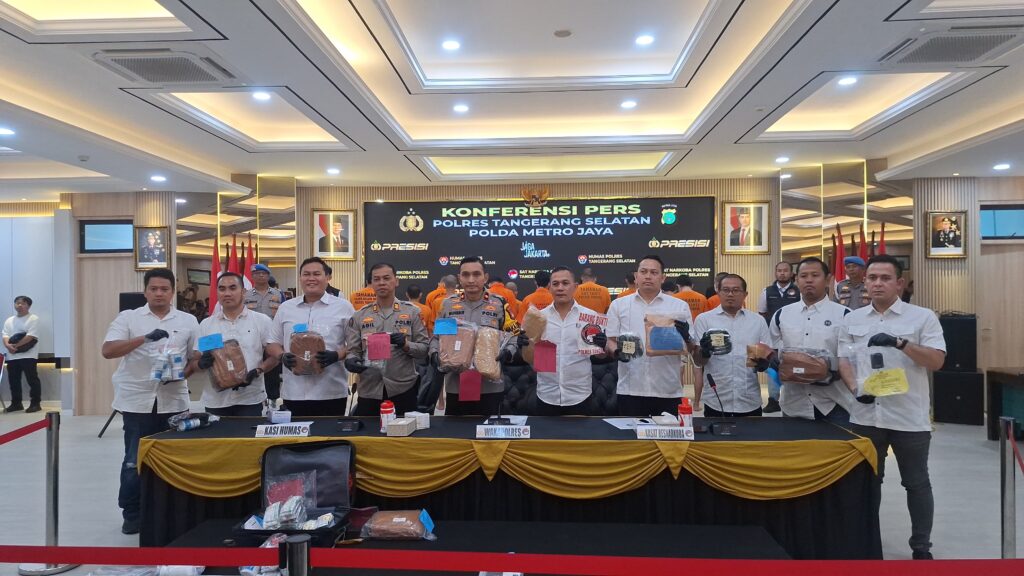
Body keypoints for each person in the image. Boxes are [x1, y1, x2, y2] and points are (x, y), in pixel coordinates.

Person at [838, 254, 946, 560]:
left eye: (885, 278)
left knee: (916, 483)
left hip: (908, 416)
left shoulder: (922, 317)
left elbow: (937, 361)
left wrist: (901, 344)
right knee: (867, 484)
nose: (877, 284)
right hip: (865, 415)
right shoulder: (852, 319)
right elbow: (844, 360)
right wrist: (855, 389)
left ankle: (921, 547)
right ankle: (866, 542)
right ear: (865, 282)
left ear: (899, 283)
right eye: (872, 278)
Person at [101, 268, 200, 535]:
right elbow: (108, 350)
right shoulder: (129, 318)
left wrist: (182, 373)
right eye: (153, 289)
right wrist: (143, 338)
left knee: (174, 459)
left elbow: (195, 358)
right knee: (134, 460)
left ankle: (172, 511)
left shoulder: (188, 320)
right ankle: (132, 513)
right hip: (137, 400)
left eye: (164, 289)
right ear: (145, 291)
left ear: (172, 292)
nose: (159, 293)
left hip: (174, 399)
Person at [430, 256, 520, 416]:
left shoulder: (499, 304)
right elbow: (438, 337)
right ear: (459, 278)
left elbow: (513, 334)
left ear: (485, 277)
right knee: (457, 430)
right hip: (456, 385)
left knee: (489, 430)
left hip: (490, 385)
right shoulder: (449, 305)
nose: (471, 280)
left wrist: (508, 352)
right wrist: (435, 354)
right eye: (466, 275)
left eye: (476, 274)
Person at [266, 257, 355, 418]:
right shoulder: (286, 308)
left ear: (327, 277)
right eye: (306, 274)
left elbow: (355, 344)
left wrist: (337, 355)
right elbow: (272, 342)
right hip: (294, 392)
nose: (311, 278)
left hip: (331, 392)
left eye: (316, 274)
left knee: (329, 433)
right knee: (296, 434)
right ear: (300, 278)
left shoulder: (343, 307)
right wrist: (282, 356)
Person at [768, 257, 853, 422]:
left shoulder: (845, 315)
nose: (809, 280)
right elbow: (774, 351)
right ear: (796, 280)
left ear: (827, 280)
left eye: (815, 275)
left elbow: (855, 359)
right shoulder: (781, 315)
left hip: (835, 404)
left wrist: (830, 370)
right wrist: (773, 362)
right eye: (803, 276)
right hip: (794, 404)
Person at [606, 255, 692, 416]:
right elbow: (610, 340)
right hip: (630, 389)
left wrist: (686, 338)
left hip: (667, 390)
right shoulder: (618, 305)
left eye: (654, 272)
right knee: (631, 433)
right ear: (636, 276)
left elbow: (691, 345)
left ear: (662, 278)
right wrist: (617, 351)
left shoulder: (679, 306)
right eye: (643, 271)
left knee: (668, 433)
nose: (648, 276)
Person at [344, 263, 429, 416]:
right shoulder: (359, 315)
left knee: (403, 429)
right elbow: (353, 350)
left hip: (403, 388)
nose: (381, 283)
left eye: (386, 278)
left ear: (396, 281)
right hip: (369, 389)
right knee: (369, 431)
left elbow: (424, 349)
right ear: (371, 283)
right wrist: (350, 361)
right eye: (376, 279)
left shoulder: (412, 312)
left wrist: (406, 344)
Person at [192, 272, 277, 416]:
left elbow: (274, 357)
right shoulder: (206, 324)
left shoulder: (261, 321)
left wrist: (259, 370)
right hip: (215, 400)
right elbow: (195, 362)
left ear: (243, 292)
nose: (227, 293)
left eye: (232, 288)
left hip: (250, 399)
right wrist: (201, 364)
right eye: (222, 289)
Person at [530, 267, 606, 415]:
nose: (560, 288)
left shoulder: (590, 317)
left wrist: (602, 346)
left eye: (565, 283)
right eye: (555, 284)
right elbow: (530, 357)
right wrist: (525, 345)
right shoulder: (539, 318)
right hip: (547, 394)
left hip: (580, 395)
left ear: (575, 287)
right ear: (549, 287)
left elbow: (600, 356)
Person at [692, 274, 769, 417]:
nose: (730, 294)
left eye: (736, 290)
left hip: (749, 400)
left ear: (745, 294)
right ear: (718, 292)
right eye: (726, 290)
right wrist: (704, 352)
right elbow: (698, 362)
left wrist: (764, 363)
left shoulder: (758, 321)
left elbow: (764, 361)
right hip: (716, 399)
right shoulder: (704, 320)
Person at [758, 261, 800, 413]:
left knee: (794, 367)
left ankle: (793, 399)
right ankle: (773, 400)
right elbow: (762, 313)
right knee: (772, 368)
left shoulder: (799, 291)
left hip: (794, 336)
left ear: (791, 273)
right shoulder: (767, 291)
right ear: (775, 273)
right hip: (773, 337)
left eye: (785, 270)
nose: (782, 273)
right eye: (779, 270)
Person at [245, 263, 285, 404]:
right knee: (253, 365)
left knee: (272, 367)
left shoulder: (278, 294)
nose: (261, 276)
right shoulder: (246, 295)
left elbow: (284, 313)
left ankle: (273, 399)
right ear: (252, 276)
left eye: (264, 273)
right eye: (257, 274)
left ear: (268, 276)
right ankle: (255, 397)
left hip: (272, 337)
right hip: (252, 336)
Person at [3, 296, 41, 413]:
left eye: (23, 303)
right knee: (13, 380)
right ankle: (16, 403)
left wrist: (15, 346)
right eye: (17, 303)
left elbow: (30, 336)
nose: (19, 305)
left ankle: (35, 403)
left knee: (32, 380)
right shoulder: (9, 320)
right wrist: (8, 345)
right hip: (12, 355)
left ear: (28, 306)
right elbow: (5, 335)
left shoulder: (33, 318)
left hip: (28, 355)